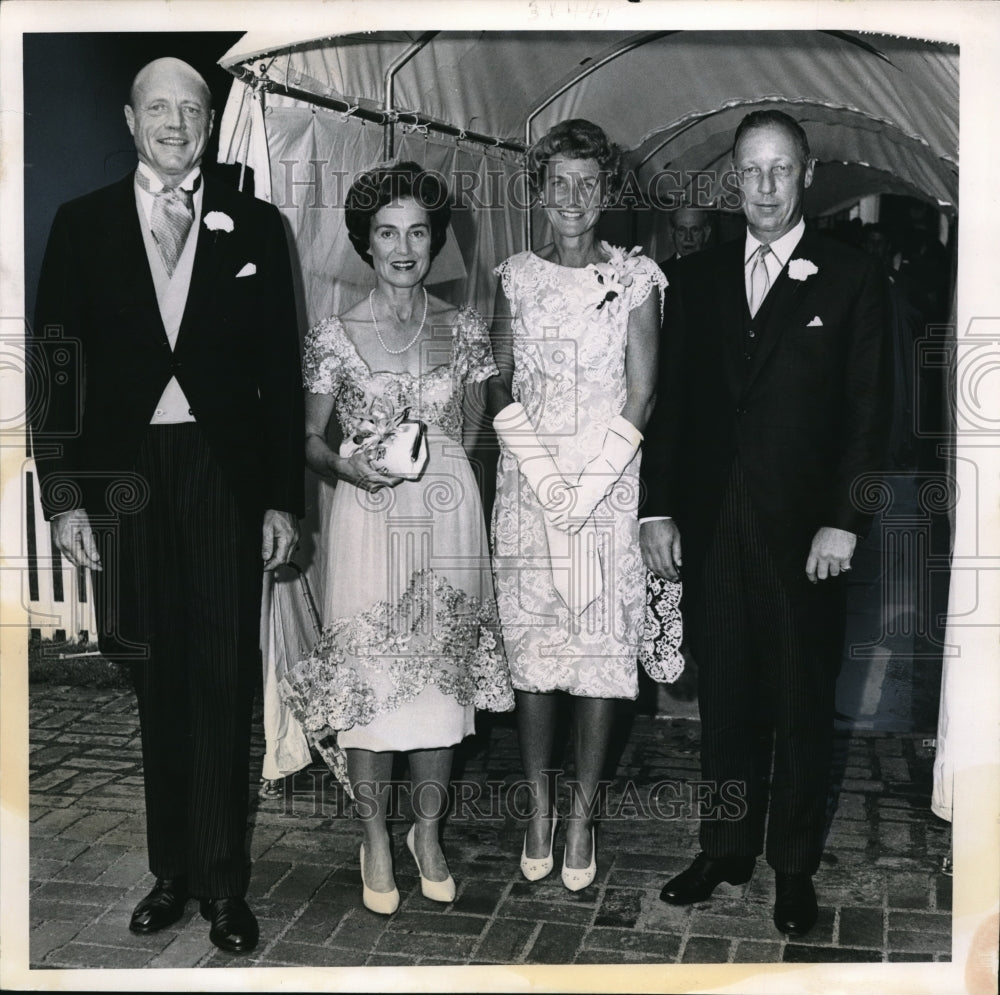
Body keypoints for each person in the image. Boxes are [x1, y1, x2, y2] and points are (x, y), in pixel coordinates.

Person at [29, 58, 304, 953]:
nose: (175, 122)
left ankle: (225, 884)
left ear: (210, 120)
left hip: (223, 476)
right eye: (159, 107)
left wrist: (279, 502)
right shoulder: (80, 225)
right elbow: (57, 366)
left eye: (191, 107)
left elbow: (280, 379)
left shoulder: (257, 225)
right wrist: (66, 498)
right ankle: (171, 872)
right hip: (127, 481)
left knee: (223, 675)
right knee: (156, 676)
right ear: (129, 119)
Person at [640, 110, 890, 937]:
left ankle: (791, 867)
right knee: (729, 697)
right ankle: (725, 847)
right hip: (714, 526)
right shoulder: (698, 276)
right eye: (751, 170)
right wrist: (657, 506)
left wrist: (842, 520)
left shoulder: (853, 276)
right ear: (732, 179)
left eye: (782, 169)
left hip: (804, 534)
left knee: (801, 700)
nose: (767, 186)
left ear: (807, 174)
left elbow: (868, 409)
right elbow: (671, 405)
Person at [277, 162, 513, 916]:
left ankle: (428, 831)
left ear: (435, 241)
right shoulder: (334, 336)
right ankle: (375, 833)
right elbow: (309, 439)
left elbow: (476, 433)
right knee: (371, 687)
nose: (404, 247)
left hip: (448, 520)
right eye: (387, 232)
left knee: (444, 686)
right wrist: (349, 465)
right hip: (366, 517)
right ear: (364, 242)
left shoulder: (466, 327)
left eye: (417, 231)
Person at [488, 119, 680, 893]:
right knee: (536, 658)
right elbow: (497, 380)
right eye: (557, 183)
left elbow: (645, 389)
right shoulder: (513, 276)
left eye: (587, 183)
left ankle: (581, 815)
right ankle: (538, 807)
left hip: (606, 490)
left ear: (607, 192)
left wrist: (592, 482)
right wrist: (540, 471)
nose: (572, 198)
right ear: (539, 191)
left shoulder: (637, 279)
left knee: (600, 657)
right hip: (530, 491)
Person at [660, 204, 713, 270]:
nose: (688, 238)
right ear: (671, 234)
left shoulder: (721, 273)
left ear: (706, 234)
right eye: (681, 230)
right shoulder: (655, 273)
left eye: (695, 230)